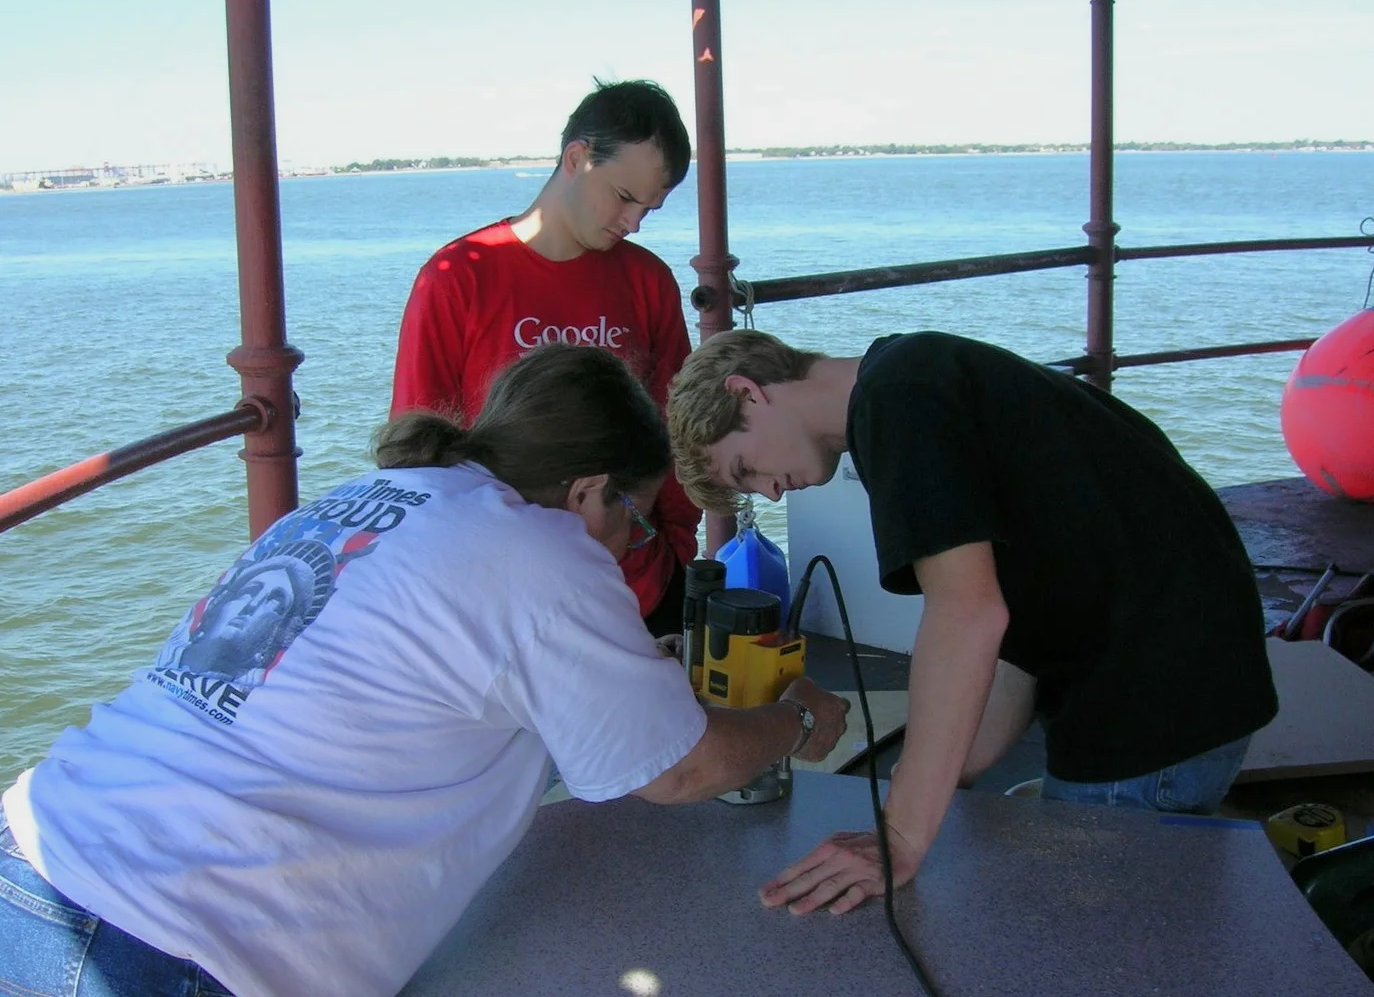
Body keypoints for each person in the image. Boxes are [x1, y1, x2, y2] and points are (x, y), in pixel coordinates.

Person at [0, 343, 849, 997]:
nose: (635, 541)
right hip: (168, 935)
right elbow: (681, 769)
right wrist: (799, 718)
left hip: (39, 852)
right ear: (590, 491)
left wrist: (635, 678)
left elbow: (400, 687)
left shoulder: (367, 496)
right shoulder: (543, 549)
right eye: (635, 515)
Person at [667, 328, 1278, 917]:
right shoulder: (915, 375)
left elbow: (967, 614)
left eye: (744, 469)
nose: (769, 496)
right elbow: (1012, 627)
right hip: (1194, 681)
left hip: (1152, 709)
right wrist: (938, 777)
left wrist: (902, 833)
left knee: (1092, 948)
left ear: (748, 392)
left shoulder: (897, 404)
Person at [390, 78, 700, 637]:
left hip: (633, 587)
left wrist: (675, 549)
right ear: (577, 158)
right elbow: (415, 453)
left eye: (649, 211)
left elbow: (676, 428)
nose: (632, 223)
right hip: (501, 595)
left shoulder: (649, 280)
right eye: (625, 197)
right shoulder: (458, 277)